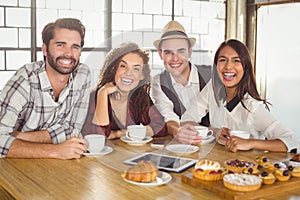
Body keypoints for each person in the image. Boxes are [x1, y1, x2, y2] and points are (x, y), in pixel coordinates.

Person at [180, 39, 299, 153]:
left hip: (246, 168)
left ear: (245, 67)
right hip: (216, 164)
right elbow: (186, 120)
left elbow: (292, 141)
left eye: (236, 60)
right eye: (223, 60)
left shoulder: (253, 106)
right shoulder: (213, 89)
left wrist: (251, 143)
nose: (228, 66)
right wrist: (213, 131)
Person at [0, 18, 91, 159]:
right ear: (44, 49)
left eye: (75, 47)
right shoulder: (25, 81)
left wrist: (18, 136)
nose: (68, 53)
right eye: (60, 45)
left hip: (55, 165)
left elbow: (73, 130)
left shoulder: (82, 74)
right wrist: (55, 150)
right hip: (12, 164)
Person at [82, 42, 167, 139]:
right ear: (114, 69)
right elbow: (97, 137)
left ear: (142, 75)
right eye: (123, 66)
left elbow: (160, 127)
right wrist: (102, 94)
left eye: (136, 69)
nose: (128, 73)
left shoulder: (139, 97)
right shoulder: (96, 97)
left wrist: (119, 134)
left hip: (128, 152)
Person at [151, 20, 211, 144]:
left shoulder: (211, 75)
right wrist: (178, 131)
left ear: (190, 51)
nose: (175, 58)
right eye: (168, 52)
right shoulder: (159, 82)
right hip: (179, 145)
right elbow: (168, 116)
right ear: (160, 54)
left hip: (215, 144)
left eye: (181, 51)